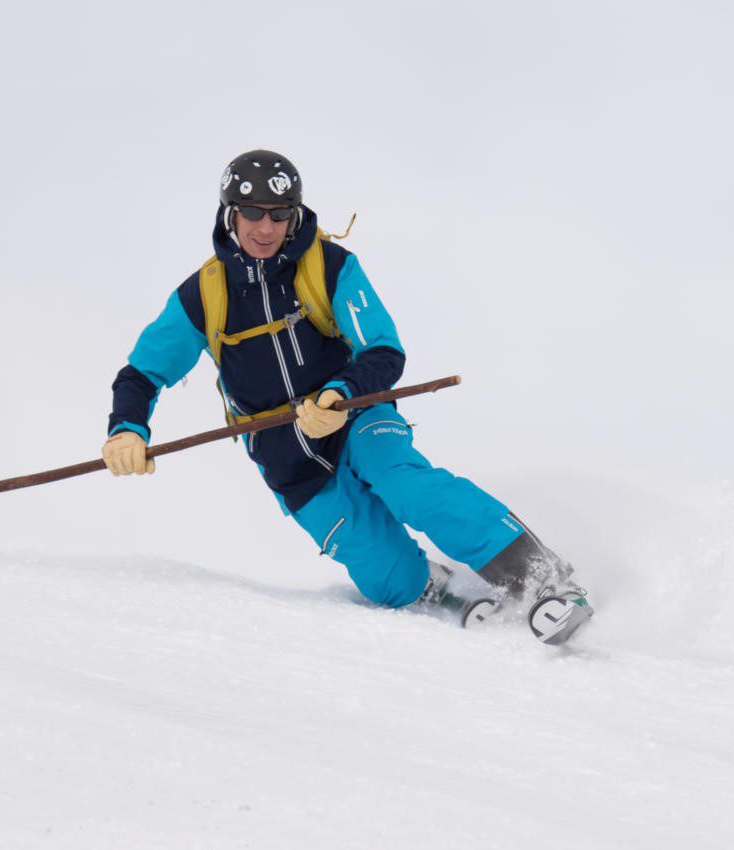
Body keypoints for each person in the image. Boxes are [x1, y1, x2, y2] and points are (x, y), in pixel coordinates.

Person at [100, 149, 591, 643]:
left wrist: (340, 394)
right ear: (230, 213)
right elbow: (142, 373)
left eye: (279, 214)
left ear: (294, 214)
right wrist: (127, 428)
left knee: (406, 486)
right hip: (286, 454)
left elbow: (382, 348)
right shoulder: (201, 296)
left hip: (356, 416)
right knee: (387, 577)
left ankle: (547, 582)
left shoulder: (329, 267)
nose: (265, 228)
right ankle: (434, 590)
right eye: (252, 214)